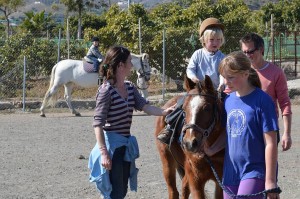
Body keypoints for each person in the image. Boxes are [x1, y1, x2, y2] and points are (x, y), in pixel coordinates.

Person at [88, 45, 175, 199]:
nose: (131, 65)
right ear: (121, 65)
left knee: (121, 190)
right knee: (115, 192)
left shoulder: (129, 87)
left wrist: (164, 111)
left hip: (125, 146)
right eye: (129, 61)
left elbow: (145, 106)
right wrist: (104, 153)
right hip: (112, 148)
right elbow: (97, 124)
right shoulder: (105, 91)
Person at [219, 51, 280, 199]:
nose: (226, 82)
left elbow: (271, 143)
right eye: (224, 77)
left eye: (231, 77)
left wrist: (270, 180)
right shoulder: (228, 101)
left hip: (255, 171)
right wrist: (209, 149)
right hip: (230, 172)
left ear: (246, 74)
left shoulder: (263, 101)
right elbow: (229, 135)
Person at [157, 17, 226, 144]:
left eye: (218, 40)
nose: (215, 42)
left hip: (214, 91)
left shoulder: (222, 57)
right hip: (197, 89)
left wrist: (222, 83)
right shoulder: (198, 54)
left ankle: (230, 133)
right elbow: (190, 70)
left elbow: (223, 73)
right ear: (204, 40)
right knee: (181, 104)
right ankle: (170, 128)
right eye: (211, 39)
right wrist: (193, 78)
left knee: (228, 107)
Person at [240, 33, 292, 151]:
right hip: (244, 129)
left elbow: (285, 104)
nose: (247, 55)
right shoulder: (239, 72)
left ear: (261, 49)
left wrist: (287, 133)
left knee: (267, 167)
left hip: (267, 129)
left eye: (251, 51)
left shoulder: (276, 73)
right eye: (244, 52)